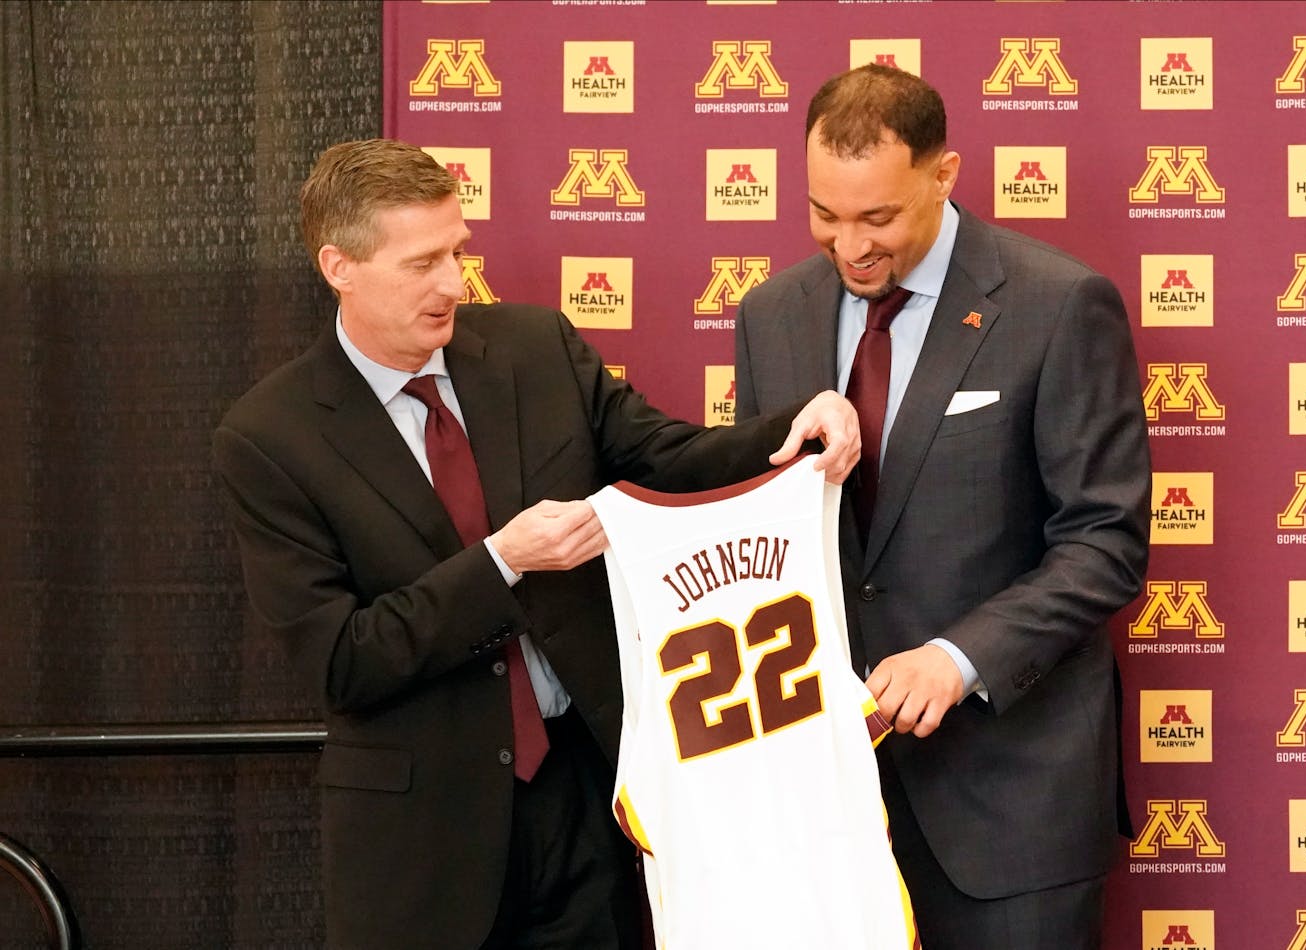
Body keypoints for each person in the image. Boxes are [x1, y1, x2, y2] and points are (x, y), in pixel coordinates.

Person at [212, 138, 860, 950]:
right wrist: (502, 562)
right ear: (339, 267)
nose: (454, 283)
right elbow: (344, 658)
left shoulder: (536, 350)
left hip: (587, 802)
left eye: (457, 252)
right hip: (422, 848)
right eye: (422, 265)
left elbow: (672, 457)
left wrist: (799, 430)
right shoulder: (271, 438)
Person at [734, 65, 1152, 950]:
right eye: (825, 215)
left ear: (945, 174)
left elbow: (1103, 542)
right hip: (823, 808)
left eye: (878, 218)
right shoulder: (769, 315)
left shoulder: (1058, 304)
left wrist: (958, 658)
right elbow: (758, 527)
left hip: (1011, 801)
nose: (850, 246)